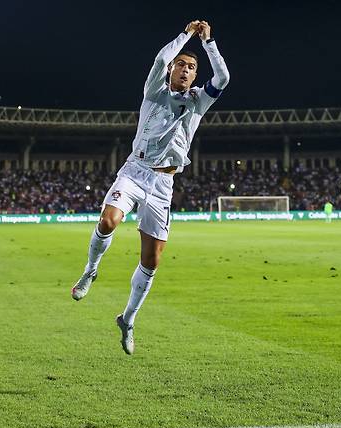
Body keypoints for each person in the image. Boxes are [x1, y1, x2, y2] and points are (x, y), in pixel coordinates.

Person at [71, 20, 230, 355]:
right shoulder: (154, 92)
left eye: (192, 67)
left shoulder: (198, 101)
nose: (186, 70)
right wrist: (186, 35)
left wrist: (208, 42)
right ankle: (90, 271)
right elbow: (160, 60)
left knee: (152, 259)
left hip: (163, 183)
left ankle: (128, 319)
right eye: (181, 65)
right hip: (135, 171)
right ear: (171, 70)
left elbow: (223, 79)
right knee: (108, 220)